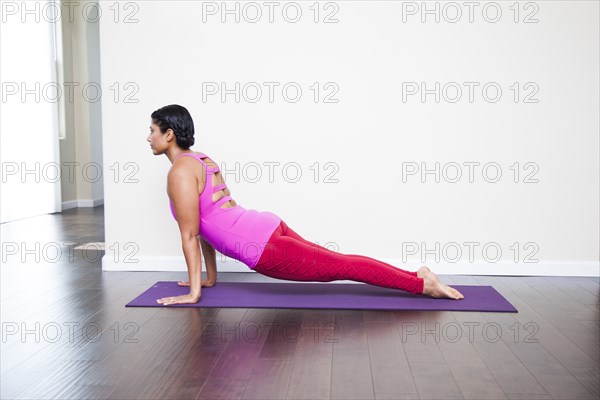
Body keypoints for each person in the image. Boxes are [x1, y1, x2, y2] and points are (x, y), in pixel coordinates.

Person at [147, 104, 464, 305]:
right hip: (265, 225)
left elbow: (190, 234)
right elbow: (208, 225)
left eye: (152, 130)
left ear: (170, 134)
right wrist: (209, 278)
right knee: (340, 260)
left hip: (260, 247)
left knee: (342, 266)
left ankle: (421, 285)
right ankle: (417, 275)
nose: (148, 137)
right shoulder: (201, 158)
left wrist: (193, 293)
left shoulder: (179, 172)